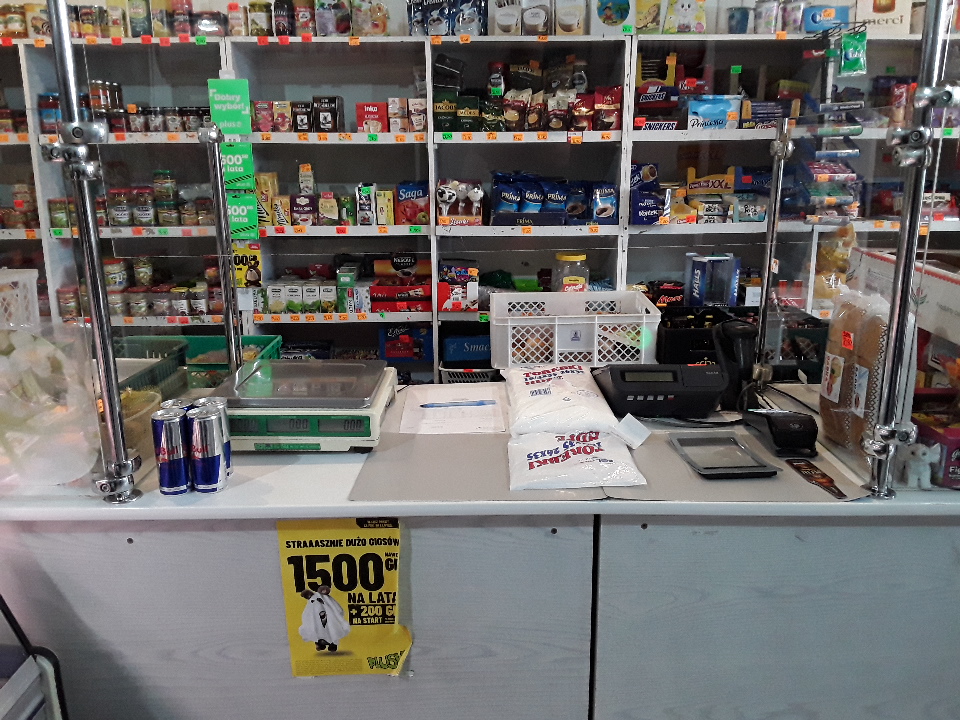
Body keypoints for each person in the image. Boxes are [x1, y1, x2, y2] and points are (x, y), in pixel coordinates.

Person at [298, 585, 350, 652]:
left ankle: (332, 645)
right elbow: (308, 614)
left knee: (331, 629)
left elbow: (335, 608)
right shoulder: (313, 607)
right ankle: (320, 644)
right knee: (318, 629)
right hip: (318, 623)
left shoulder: (328, 609)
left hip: (327, 622)